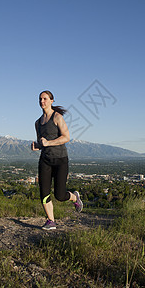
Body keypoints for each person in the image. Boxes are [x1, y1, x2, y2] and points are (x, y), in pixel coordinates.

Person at [31, 90, 83, 230]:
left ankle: (74, 197)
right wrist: (37, 146)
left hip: (60, 160)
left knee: (60, 195)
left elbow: (66, 137)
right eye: (40, 99)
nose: (42, 101)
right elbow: (42, 142)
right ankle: (51, 221)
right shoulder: (37, 123)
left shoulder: (57, 117)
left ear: (52, 101)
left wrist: (48, 143)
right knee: (44, 192)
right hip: (45, 161)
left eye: (45, 99)